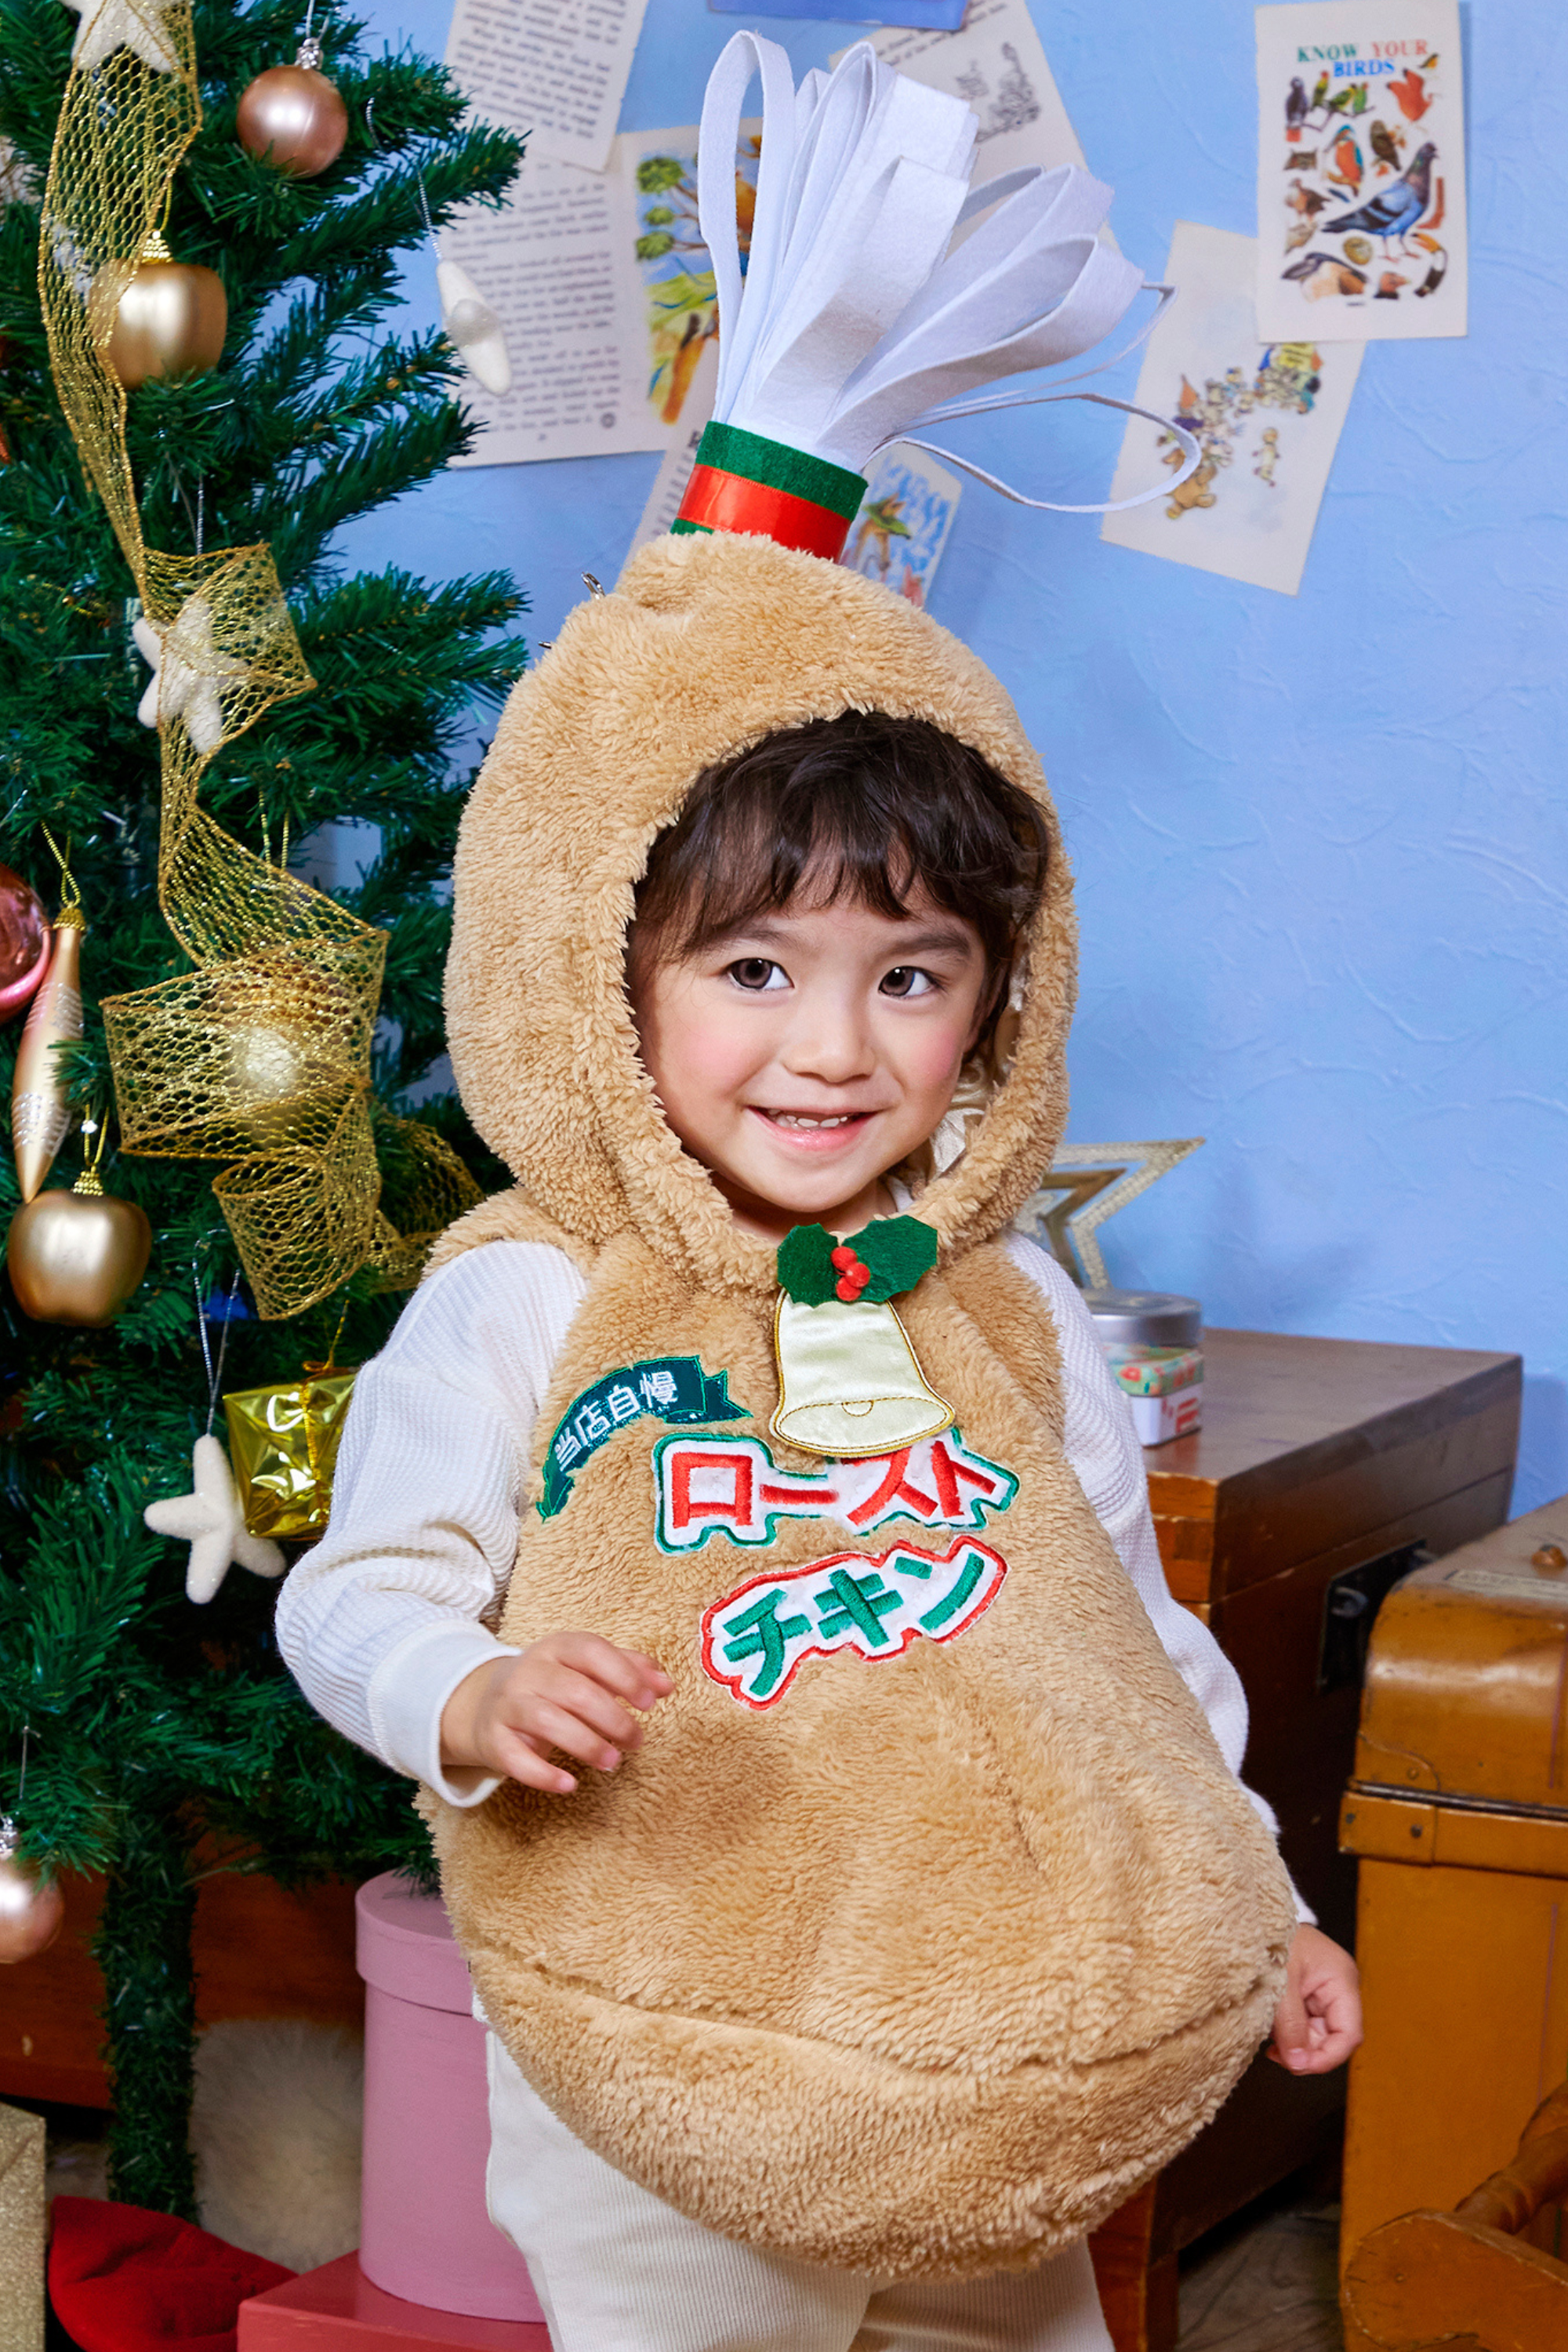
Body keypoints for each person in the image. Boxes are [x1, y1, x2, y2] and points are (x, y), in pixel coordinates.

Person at [278, 546, 1361, 2352]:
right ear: (601, 982)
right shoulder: (527, 1305)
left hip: (981, 2023)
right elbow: (356, 1595)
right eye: (755, 968)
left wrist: (1249, 1895)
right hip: (680, 2037)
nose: (835, 1052)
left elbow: (1126, 1649)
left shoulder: (998, 1302)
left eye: (913, 978)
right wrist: (467, 1697)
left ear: (998, 1001)